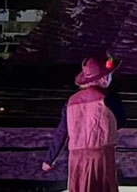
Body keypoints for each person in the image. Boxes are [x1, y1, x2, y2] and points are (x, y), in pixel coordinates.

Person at [43, 53, 126, 192]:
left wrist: (49, 159)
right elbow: (121, 121)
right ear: (104, 77)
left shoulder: (71, 101)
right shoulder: (109, 97)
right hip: (101, 155)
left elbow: (62, 131)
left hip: (76, 158)